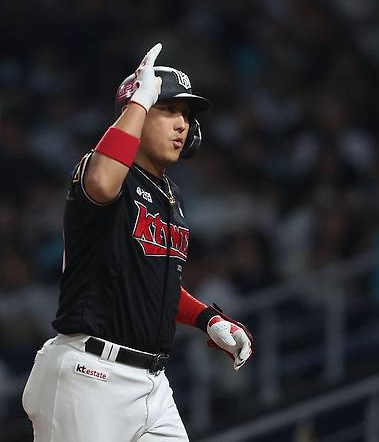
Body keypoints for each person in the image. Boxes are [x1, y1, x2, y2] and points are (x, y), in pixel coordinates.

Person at [21, 43, 253, 442]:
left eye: (187, 116)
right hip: (89, 373)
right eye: (169, 110)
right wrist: (142, 99)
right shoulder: (105, 171)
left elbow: (153, 283)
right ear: (139, 110)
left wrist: (206, 318)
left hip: (153, 385)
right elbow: (100, 182)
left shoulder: (169, 194)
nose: (182, 124)